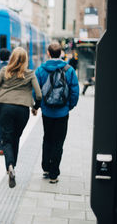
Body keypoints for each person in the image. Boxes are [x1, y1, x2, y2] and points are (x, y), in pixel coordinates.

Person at [0, 47, 42, 188]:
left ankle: (10, 166)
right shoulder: (30, 73)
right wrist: (36, 107)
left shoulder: (4, 70)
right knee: (15, 138)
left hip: (5, 109)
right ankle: (14, 166)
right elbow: (38, 95)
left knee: (6, 140)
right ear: (25, 60)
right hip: (22, 110)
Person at [34, 42, 79, 184]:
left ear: (48, 53)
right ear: (61, 53)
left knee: (47, 139)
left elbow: (36, 91)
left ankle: (46, 168)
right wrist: (68, 107)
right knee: (58, 142)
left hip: (47, 112)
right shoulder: (70, 70)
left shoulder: (41, 70)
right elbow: (75, 91)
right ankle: (54, 175)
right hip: (62, 113)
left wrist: (38, 106)